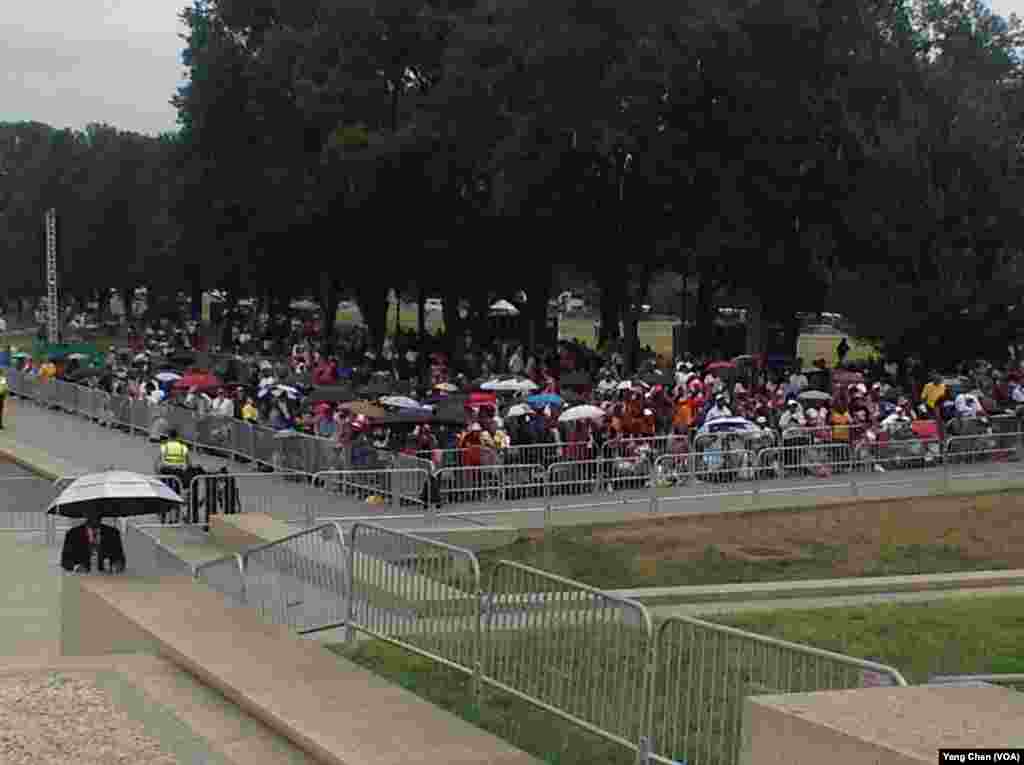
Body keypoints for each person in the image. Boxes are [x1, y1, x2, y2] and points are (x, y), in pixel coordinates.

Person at [61, 511, 126, 573]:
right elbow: (65, 560)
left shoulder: (113, 533)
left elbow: (120, 558)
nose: (96, 514)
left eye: (98, 511)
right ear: (85, 514)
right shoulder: (73, 534)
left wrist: (118, 565)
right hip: (80, 578)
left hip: (107, 579)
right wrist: (76, 567)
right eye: (91, 511)